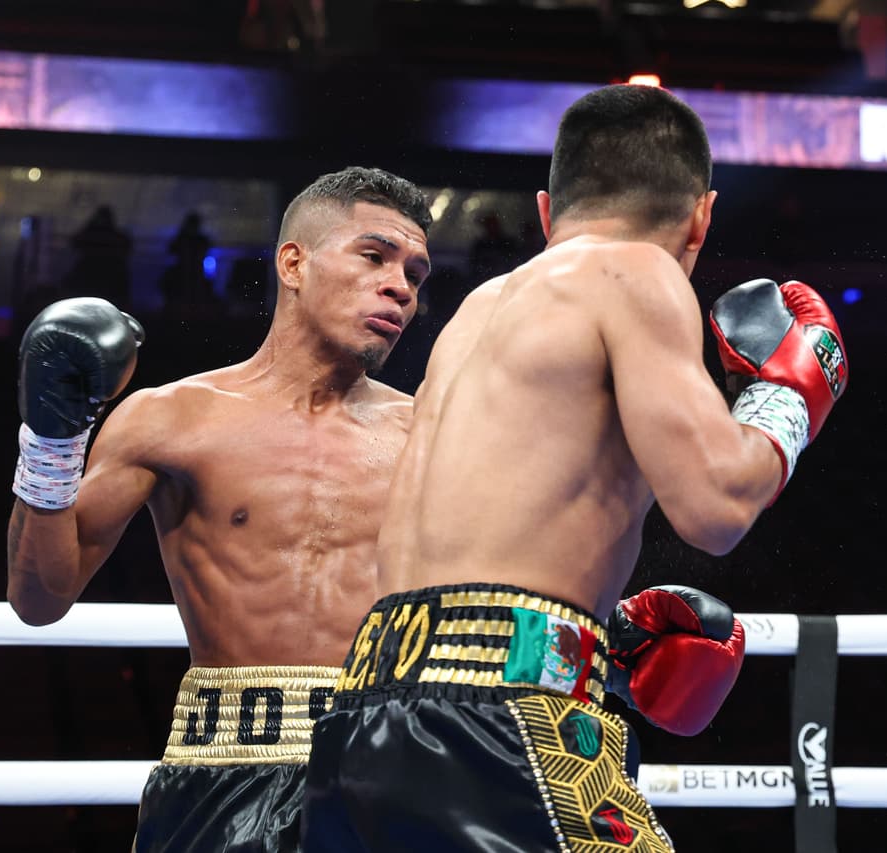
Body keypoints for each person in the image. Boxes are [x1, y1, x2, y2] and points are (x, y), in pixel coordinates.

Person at [302, 84, 848, 851]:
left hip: (364, 721)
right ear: (701, 216)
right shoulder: (638, 272)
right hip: (501, 721)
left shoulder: (478, 310)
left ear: (547, 212)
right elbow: (717, 506)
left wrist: (595, 636)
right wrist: (787, 400)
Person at [6, 166, 434, 852]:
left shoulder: (430, 434)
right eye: (375, 255)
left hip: (387, 768)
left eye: (416, 272)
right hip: (220, 773)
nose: (401, 287)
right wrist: (52, 442)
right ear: (293, 262)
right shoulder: (169, 419)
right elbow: (39, 597)